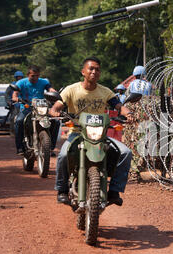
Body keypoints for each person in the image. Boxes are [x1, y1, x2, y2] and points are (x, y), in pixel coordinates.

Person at [49, 56, 135, 206]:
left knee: (125, 153)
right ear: (83, 71)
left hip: (100, 136)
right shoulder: (71, 90)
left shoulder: (105, 92)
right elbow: (56, 106)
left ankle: (114, 191)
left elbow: (119, 106)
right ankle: (61, 190)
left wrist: (128, 114)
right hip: (77, 133)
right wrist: (55, 112)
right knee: (63, 155)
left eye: (97, 69)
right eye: (91, 68)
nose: (94, 71)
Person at [12, 65, 58, 155]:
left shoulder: (44, 82)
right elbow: (14, 95)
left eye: (37, 75)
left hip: (41, 108)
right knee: (19, 121)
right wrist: (17, 99)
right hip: (27, 108)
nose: (35, 78)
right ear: (28, 75)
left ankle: (50, 147)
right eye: (33, 76)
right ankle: (20, 147)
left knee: (56, 121)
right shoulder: (21, 83)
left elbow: (51, 89)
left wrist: (56, 94)